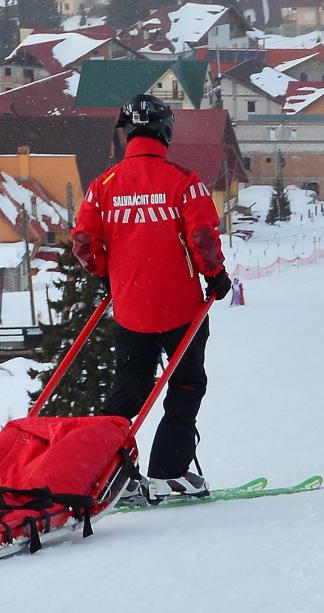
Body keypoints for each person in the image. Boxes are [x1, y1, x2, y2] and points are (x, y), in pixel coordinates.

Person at [72, 94, 229, 503]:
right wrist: (216, 276)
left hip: (130, 310)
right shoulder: (183, 181)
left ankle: (108, 474)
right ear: (165, 131)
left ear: (127, 134)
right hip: (181, 309)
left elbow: (85, 242)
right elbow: (201, 237)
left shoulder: (102, 186)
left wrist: (107, 275)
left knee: (128, 389)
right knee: (187, 384)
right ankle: (168, 472)